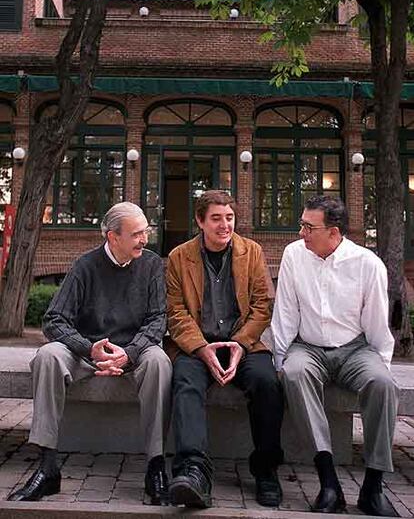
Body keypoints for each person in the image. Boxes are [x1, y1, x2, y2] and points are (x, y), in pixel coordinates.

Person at [8, 202, 172, 505]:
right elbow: (54, 319)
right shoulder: (85, 266)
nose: (144, 239)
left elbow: (158, 320)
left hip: (134, 352)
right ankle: (47, 467)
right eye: (136, 234)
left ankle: (156, 466)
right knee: (48, 356)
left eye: (145, 232)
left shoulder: (151, 265)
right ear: (112, 237)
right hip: (87, 352)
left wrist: (130, 352)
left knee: (160, 361)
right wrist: (89, 349)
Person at [270, 195, 399, 517]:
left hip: (355, 348)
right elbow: (285, 312)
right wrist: (280, 361)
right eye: (301, 224)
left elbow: (377, 323)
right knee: (295, 374)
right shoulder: (293, 255)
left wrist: (381, 364)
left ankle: (373, 485)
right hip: (308, 347)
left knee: (383, 384)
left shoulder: (367, 264)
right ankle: (328, 482)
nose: (301, 232)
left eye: (308, 227)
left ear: (334, 232)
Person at [166, 189, 284, 509]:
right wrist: (202, 348)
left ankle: (266, 469)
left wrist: (241, 345)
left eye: (229, 217)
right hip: (197, 344)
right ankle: (193, 469)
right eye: (216, 218)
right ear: (200, 221)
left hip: (242, 342)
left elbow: (262, 307)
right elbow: (175, 313)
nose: (224, 225)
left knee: (267, 383)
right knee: (185, 382)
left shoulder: (252, 252)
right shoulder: (179, 257)